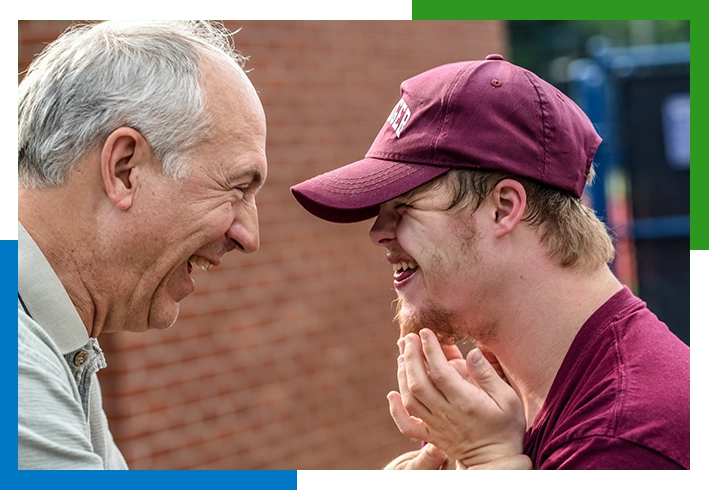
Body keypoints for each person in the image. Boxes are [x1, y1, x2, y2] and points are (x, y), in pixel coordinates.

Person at [291, 54, 689, 470]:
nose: (379, 233)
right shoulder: (524, 399)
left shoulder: (622, 441)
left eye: (404, 206)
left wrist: (486, 462)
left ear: (502, 208)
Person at [18, 20, 267, 469]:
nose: (249, 236)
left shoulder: (54, 339)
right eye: (237, 188)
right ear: (124, 170)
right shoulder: (16, 362)